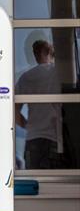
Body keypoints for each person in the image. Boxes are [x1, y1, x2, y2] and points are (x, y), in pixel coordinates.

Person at [15, 39, 65, 169]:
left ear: (36, 54)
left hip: (33, 137)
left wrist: (27, 125)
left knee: (34, 179)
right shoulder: (58, 73)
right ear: (49, 52)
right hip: (55, 137)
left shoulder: (25, 77)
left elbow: (14, 110)